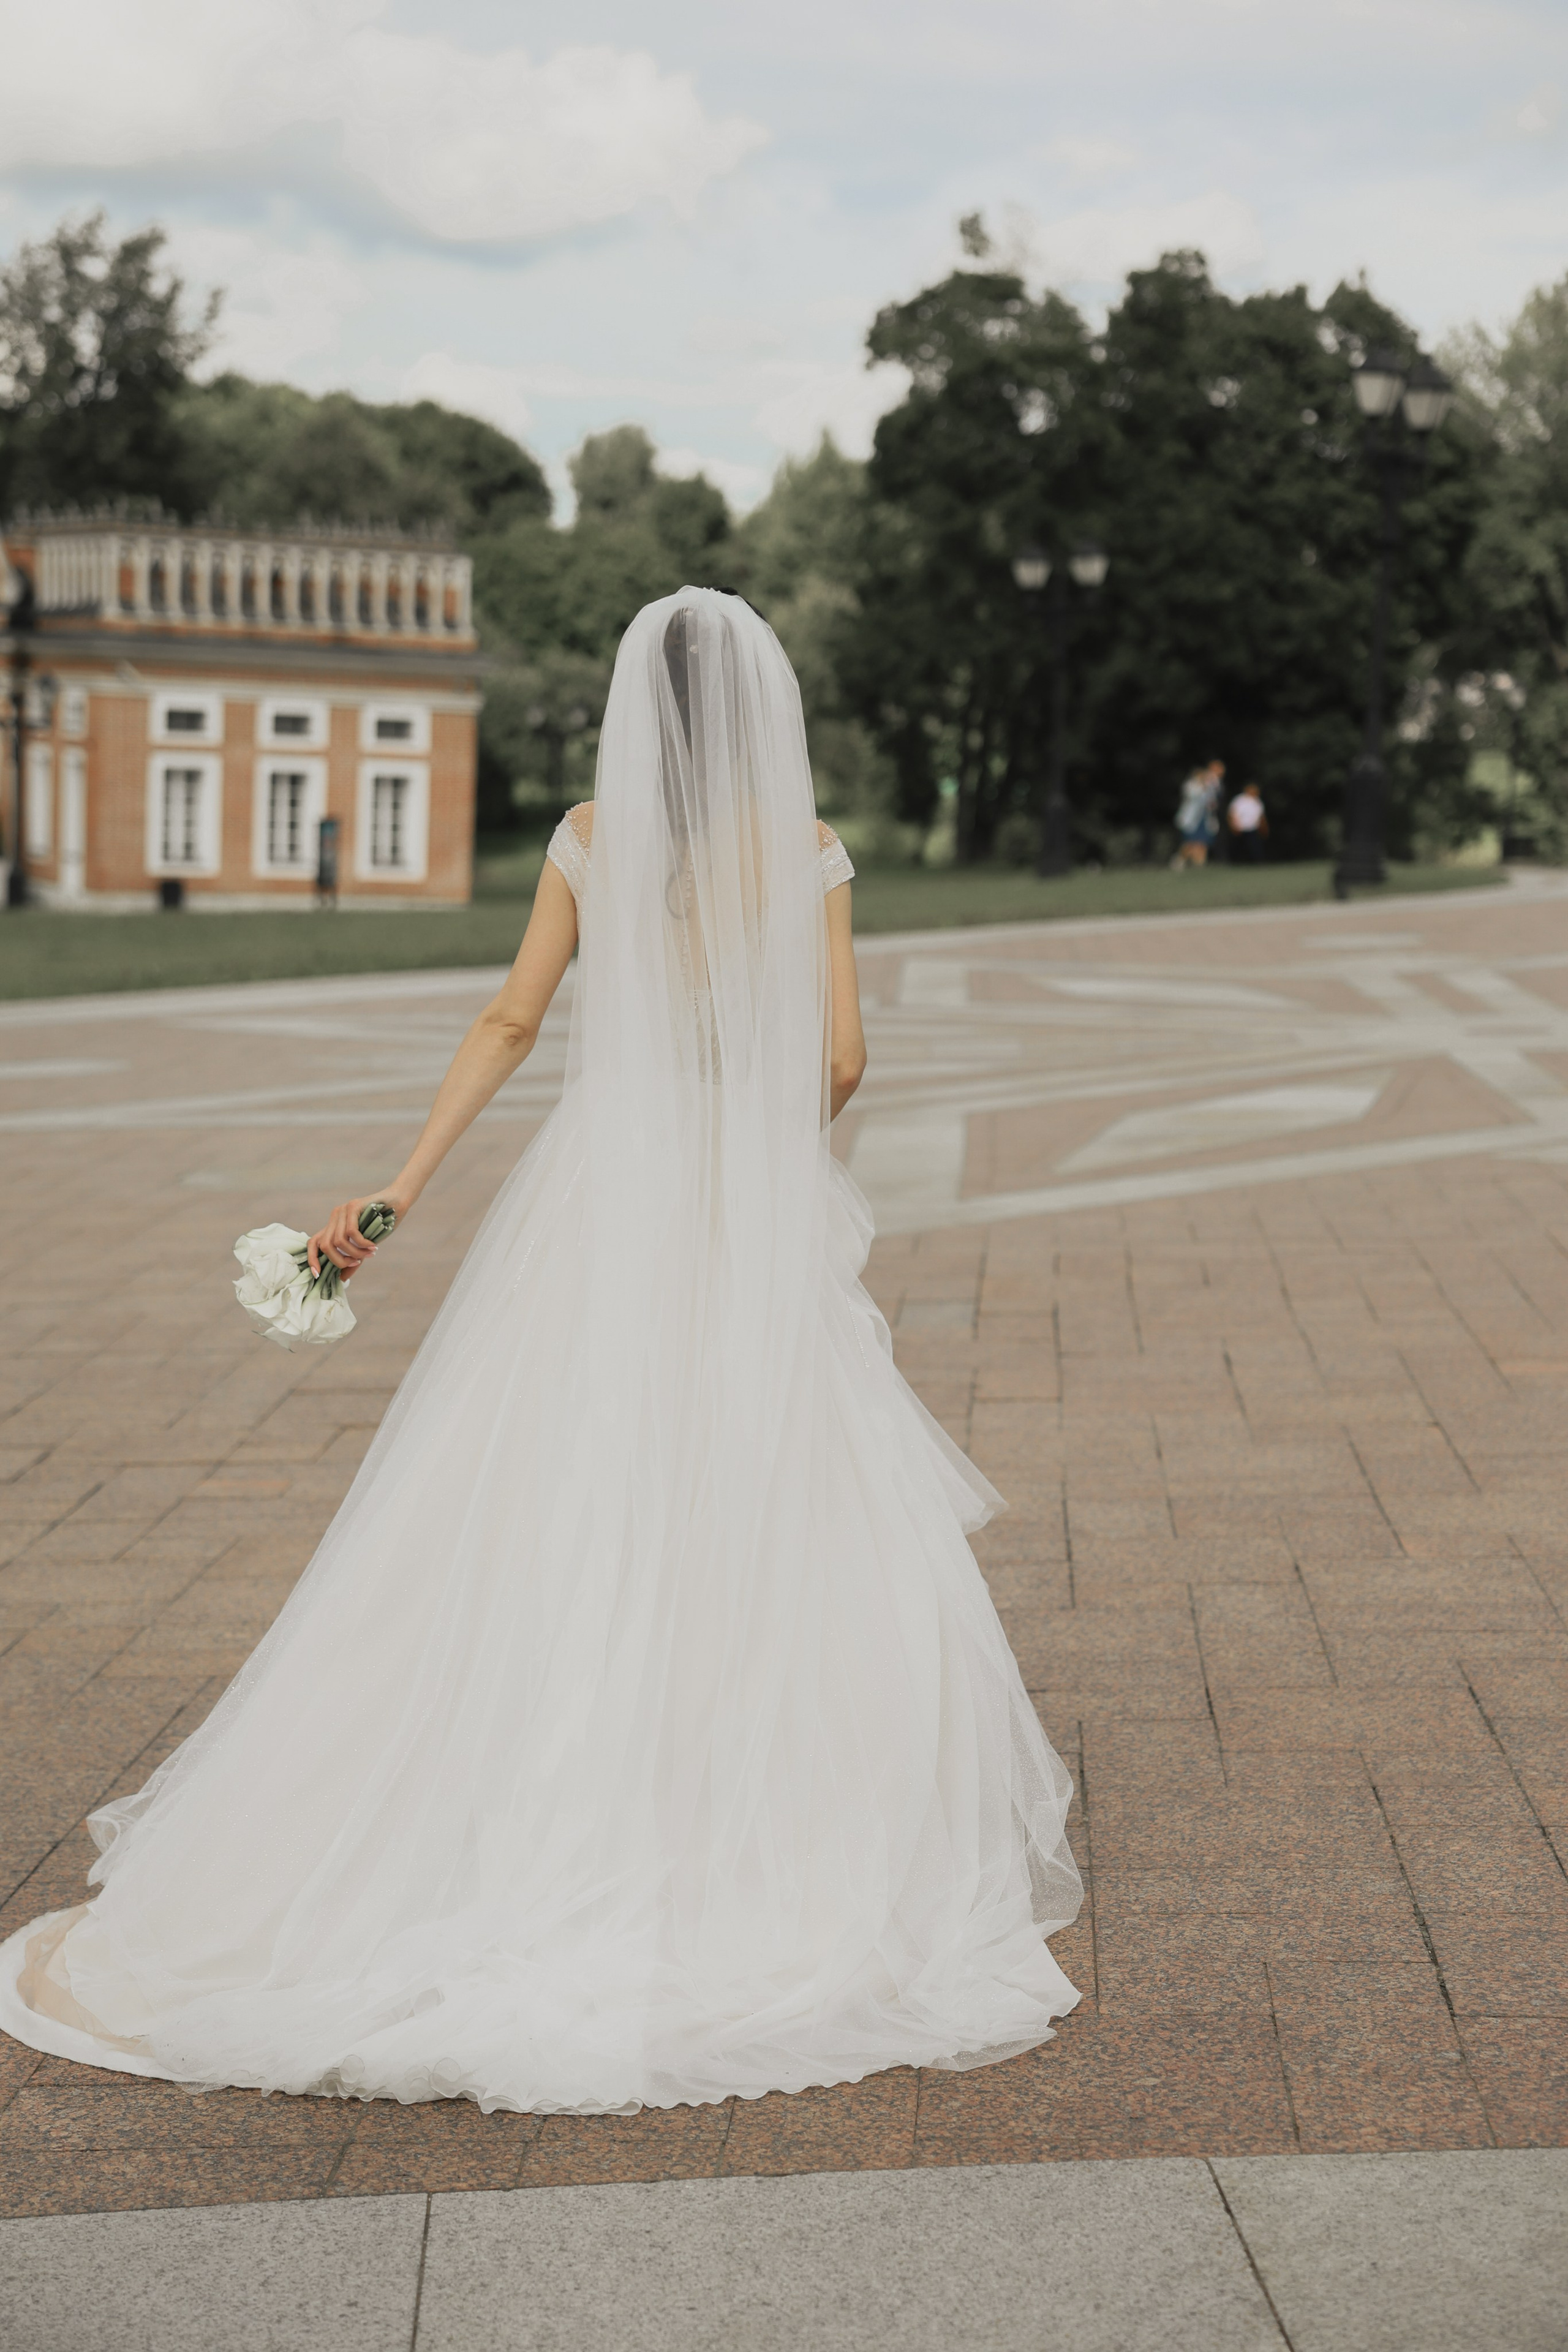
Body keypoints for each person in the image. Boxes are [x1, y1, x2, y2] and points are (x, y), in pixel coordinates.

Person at [0, 590, 1080, 2114]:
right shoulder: (809, 848)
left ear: (641, 710)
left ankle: (507, 1806)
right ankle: (759, 1832)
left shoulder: (590, 837)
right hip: (730, 1206)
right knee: (773, 1499)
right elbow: (839, 1056)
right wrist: (762, 1168)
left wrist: (391, 1193)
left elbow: (512, 1022)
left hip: (598, 1197)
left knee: (549, 1490)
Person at [1227, 782, 1267, 862]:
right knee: (1238, 847)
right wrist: (1234, 825)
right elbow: (1232, 813)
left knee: (1255, 846)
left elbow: (1261, 816)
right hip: (1240, 827)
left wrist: (1263, 827)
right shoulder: (1239, 800)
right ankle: (1236, 862)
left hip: (1253, 828)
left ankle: (1257, 862)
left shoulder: (1257, 801)